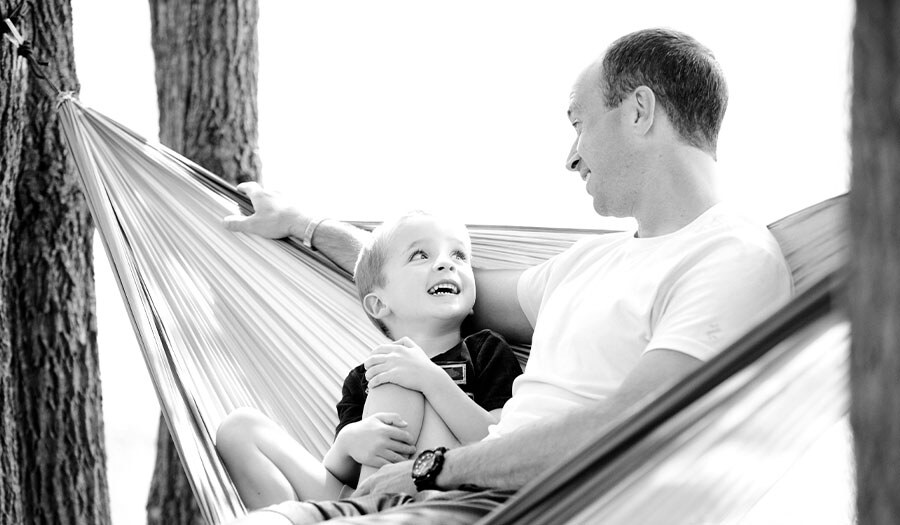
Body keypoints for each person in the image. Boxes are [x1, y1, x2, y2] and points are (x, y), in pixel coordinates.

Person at [222, 28, 794, 524]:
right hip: (446, 497)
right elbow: (422, 289)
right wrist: (308, 225)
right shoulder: (588, 264)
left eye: (579, 124)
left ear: (640, 111)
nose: (571, 157)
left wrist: (433, 468)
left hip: (520, 504)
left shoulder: (729, 258)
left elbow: (635, 425)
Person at [215, 212, 522, 509]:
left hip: (449, 499)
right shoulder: (364, 376)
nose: (446, 263)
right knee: (239, 429)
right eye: (420, 255)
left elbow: (501, 446)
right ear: (378, 304)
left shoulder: (486, 349)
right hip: (364, 501)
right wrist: (348, 443)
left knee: (396, 376)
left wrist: (430, 380)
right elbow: (343, 473)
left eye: (458, 255)